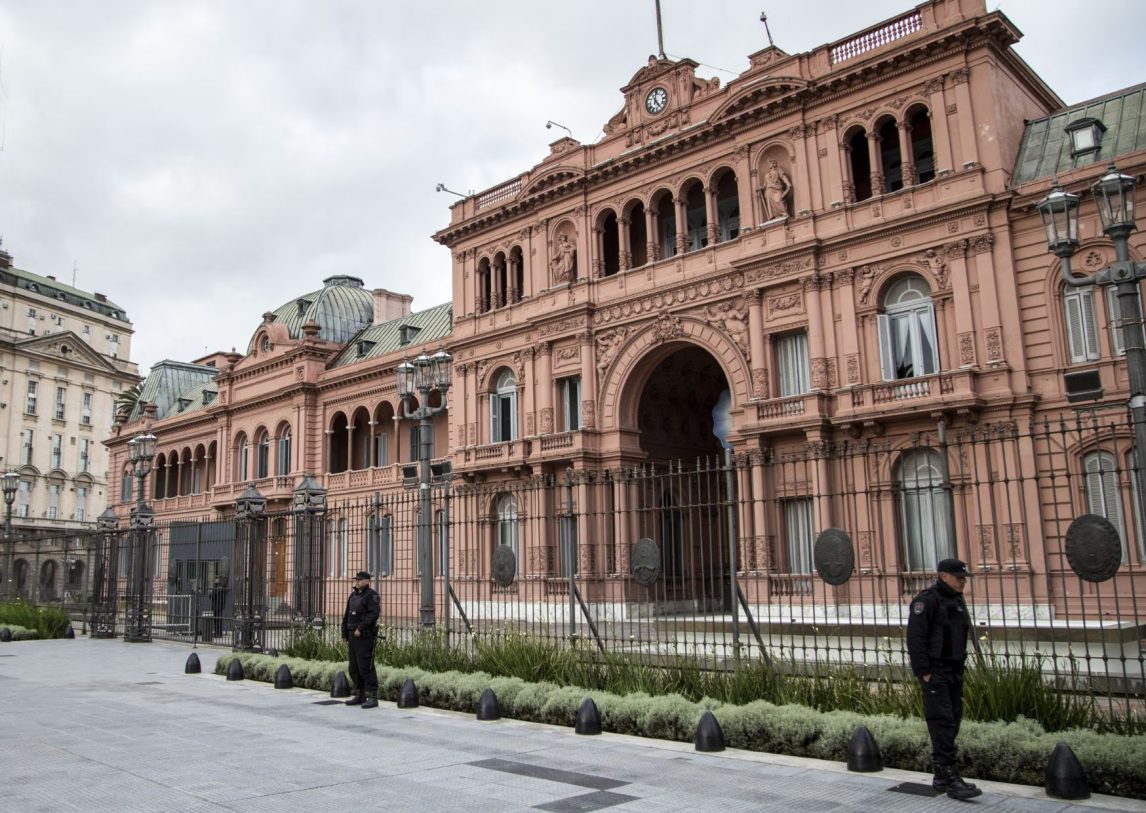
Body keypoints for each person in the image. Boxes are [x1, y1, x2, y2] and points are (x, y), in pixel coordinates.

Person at [906, 558, 982, 800]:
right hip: (936, 672)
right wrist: (924, 672)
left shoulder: (956, 600)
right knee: (943, 723)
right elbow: (915, 639)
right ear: (943, 576)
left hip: (954, 670)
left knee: (954, 719)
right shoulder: (926, 601)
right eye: (959, 577)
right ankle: (949, 777)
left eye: (964, 578)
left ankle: (941, 775)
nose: (963, 582)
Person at [341, 570, 381, 709]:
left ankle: (373, 697)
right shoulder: (353, 595)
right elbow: (347, 616)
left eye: (359, 580)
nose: (356, 582)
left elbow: (373, 615)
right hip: (352, 636)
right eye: (356, 580)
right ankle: (360, 695)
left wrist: (361, 628)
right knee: (353, 668)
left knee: (365, 667)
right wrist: (344, 634)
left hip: (364, 636)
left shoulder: (372, 596)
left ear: (367, 581)